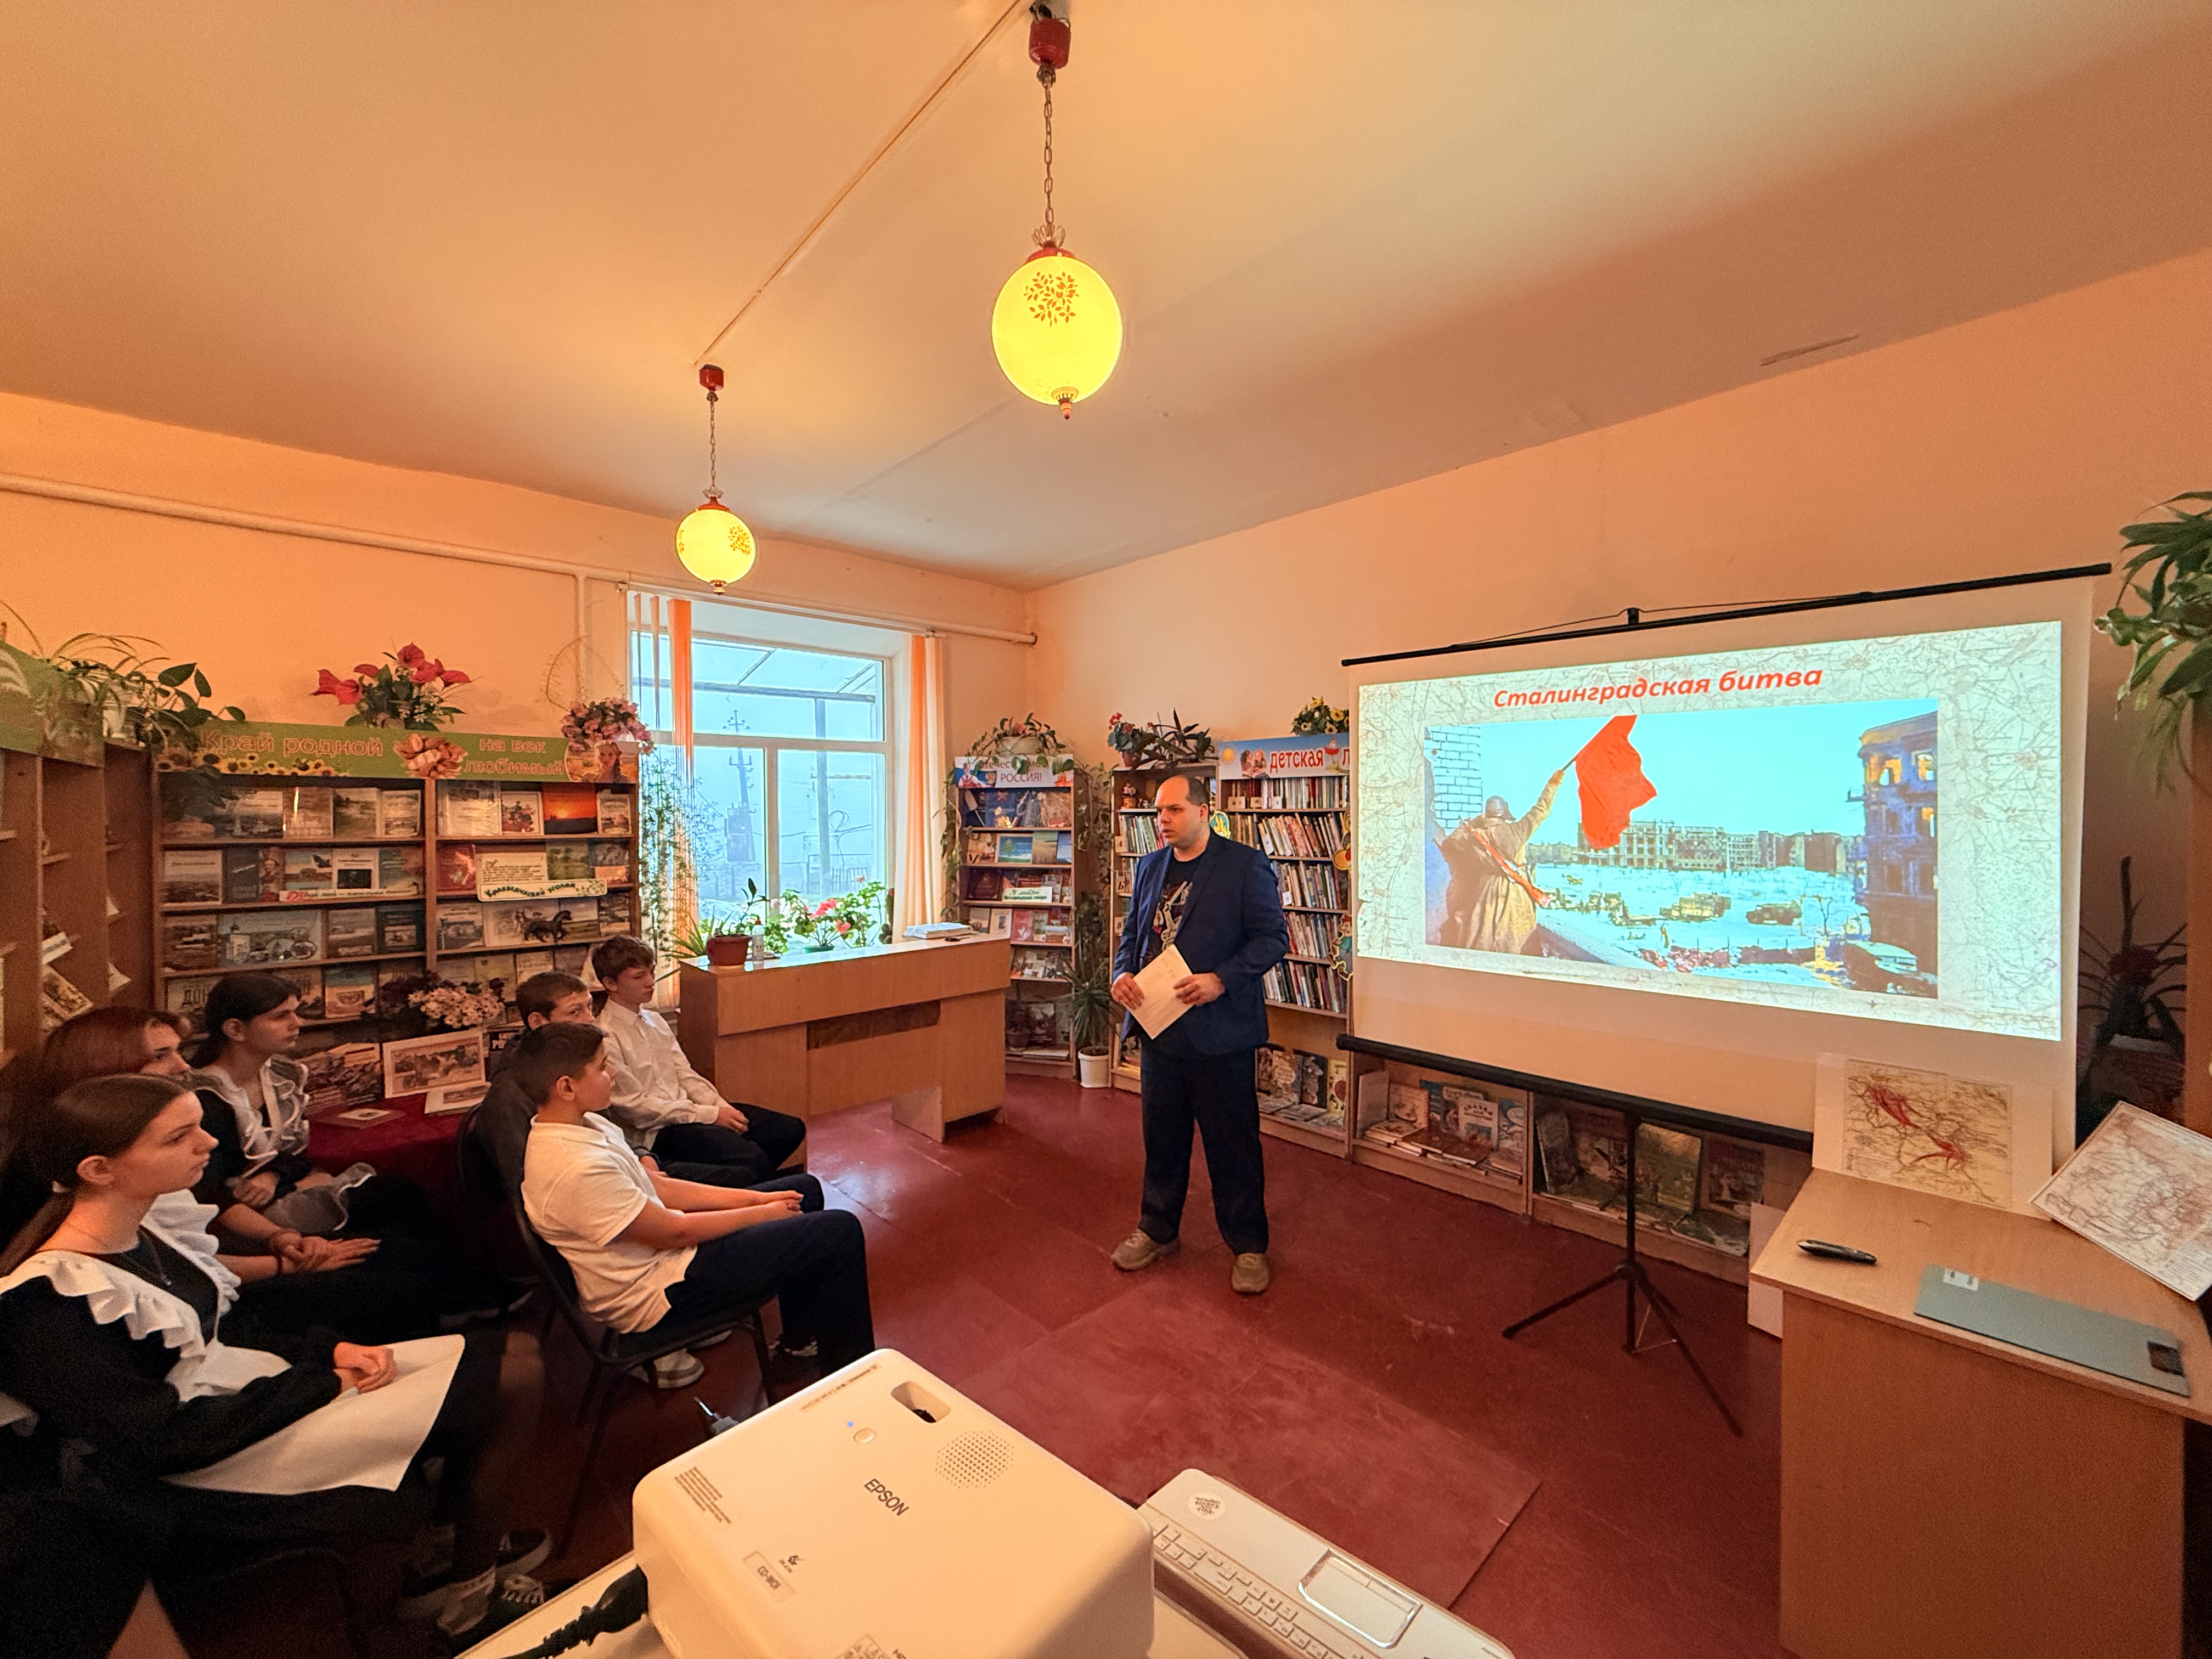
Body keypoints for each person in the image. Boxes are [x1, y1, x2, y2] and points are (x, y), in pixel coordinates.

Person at [0, 1074, 549, 1647]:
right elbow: (158, 1439)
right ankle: (468, 1603)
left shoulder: (143, 1237)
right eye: (178, 1138)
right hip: (212, 1462)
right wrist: (321, 1384)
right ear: (99, 1169)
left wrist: (330, 1351)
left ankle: (448, 1552)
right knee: (511, 1378)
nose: (210, 1144)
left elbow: (231, 1327)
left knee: (517, 1353)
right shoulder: (47, 1301)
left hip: (249, 1400)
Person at [19, 1008, 441, 1343]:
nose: (182, 1066)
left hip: (224, 1267)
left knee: (403, 1252)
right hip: (210, 1303)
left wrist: (281, 1239)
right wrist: (285, 1263)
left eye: (178, 1051)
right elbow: (177, 1269)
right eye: (161, 1056)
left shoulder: (151, 1133)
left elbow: (211, 1201)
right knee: (399, 1288)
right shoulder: (99, 1164)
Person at [516, 1023, 872, 1390]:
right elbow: (674, 1233)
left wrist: (759, 1198)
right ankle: (858, 1380)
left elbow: (660, 1188)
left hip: (669, 1258)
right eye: (603, 1067)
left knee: (804, 1189)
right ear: (567, 1087)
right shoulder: (574, 1168)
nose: (614, 1073)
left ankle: (799, 1344)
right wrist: (763, 1212)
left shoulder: (586, 1123)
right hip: (658, 1293)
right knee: (838, 1230)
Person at [185, 972, 514, 1326]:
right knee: (394, 1234)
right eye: (281, 1016)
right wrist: (280, 1231)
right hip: (248, 1223)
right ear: (235, 1030)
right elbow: (211, 1196)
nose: (297, 1023)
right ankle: (454, 1298)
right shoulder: (206, 1099)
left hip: (283, 1192)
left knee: (399, 1193)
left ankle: (463, 1290)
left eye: (295, 1012)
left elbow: (295, 1153)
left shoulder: (277, 1076)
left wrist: (273, 1175)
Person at [1109, 770, 1290, 1295]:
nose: (1163, 820)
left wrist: (1221, 980)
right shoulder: (1149, 867)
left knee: (1232, 1145)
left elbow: (1272, 939)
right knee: (1162, 1140)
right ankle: (1157, 1228)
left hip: (1221, 1034)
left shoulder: (1244, 866)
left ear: (1204, 811)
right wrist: (1121, 973)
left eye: (1174, 810)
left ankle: (1248, 1244)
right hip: (1159, 1030)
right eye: (1158, 812)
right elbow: (1133, 934)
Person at [478, 972, 778, 1200]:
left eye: (589, 1008)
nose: (590, 1020)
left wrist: (643, 1157)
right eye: (575, 1012)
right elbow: (527, 1187)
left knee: (749, 1170)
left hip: (625, 1165)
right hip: (601, 1189)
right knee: (742, 1178)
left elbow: (609, 1127)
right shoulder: (510, 1095)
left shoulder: (573, 1064)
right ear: (537, 1022)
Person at [589, 936, 806, 1182]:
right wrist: (709, 1115)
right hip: (656, 1131)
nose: (650, 982)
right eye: (639, 977)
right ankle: (752, 1191)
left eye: (652, 972)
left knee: (787, 1130)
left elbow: (685, 1074)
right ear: (610, 983)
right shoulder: (606, 1036)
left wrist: (720, 1107)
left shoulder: (655, 1020)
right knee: (750, 1158)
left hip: (688, 1111)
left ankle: (745, 1185)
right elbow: (637, 1109)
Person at [1438, 771, 1565, 954]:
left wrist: (1476, 822)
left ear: (1487, 814)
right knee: (1517, 940)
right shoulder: (1517, 831)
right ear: (1505, 813)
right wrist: (1553, 784)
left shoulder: (1474, 837)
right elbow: (1541, 810)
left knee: (1481, 938)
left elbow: (1451, 842)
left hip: (1485, 890)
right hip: (1515, 892)